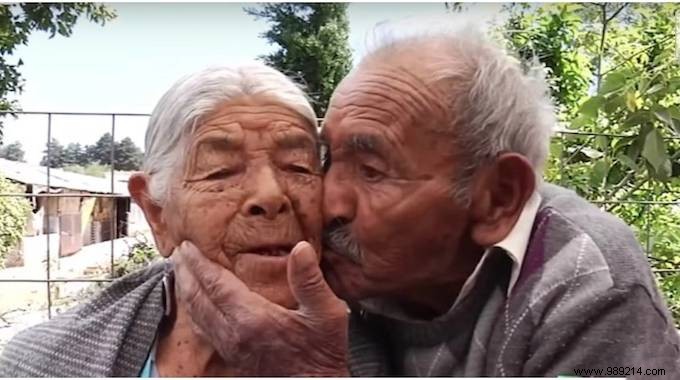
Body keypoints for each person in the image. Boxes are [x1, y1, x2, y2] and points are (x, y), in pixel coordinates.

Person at [170, 23, 680, 377]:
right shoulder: (347, 257)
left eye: (372, 170)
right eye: (327, 160)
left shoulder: (591, 290)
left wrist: (318, 373)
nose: (328, 203)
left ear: (497, 199)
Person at [0, 63, 330, 376]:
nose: (271, 196)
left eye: (298, 166)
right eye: (220, 172)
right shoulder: (40, 364)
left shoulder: (373, 349)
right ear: (156, 213)